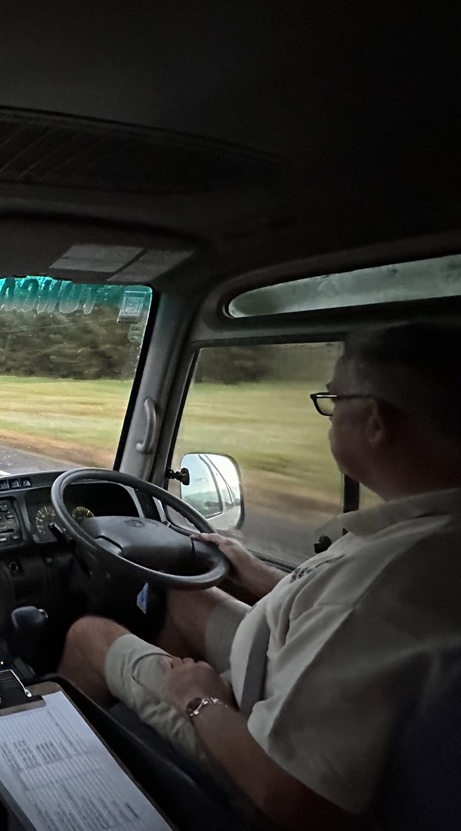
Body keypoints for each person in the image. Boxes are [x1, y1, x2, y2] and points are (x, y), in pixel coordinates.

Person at [57, 321, 461, 829]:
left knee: (90, 634)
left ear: (376, 422)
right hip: (291, 676)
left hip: (260, 759)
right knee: (185, 597)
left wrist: (200, 698)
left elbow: (295, 800)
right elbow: (331, 606)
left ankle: (60, 774)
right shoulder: (425, 532)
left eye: (334, 401)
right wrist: (258, 575)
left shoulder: (376, 593)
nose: (329, 416)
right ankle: (145, 738)